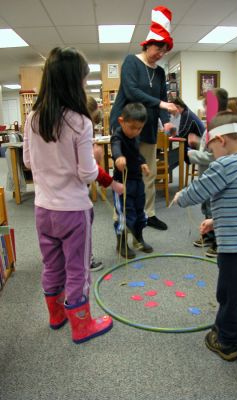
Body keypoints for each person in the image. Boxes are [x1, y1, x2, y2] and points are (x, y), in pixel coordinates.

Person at [23, 46, 123, 344]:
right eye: (82, 79)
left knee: (52, 264)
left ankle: (56, 316)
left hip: (43, 209)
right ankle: (82, 326)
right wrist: (91, 158)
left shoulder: (33, 117)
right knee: (77, 268)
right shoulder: (80, 121)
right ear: (72, 81)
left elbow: (28, 162)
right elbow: (87, 174)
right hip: (73, 210)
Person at [174, 112, 237, 361]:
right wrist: (215, 221)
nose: (213, 154)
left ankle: (225, 341)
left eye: (212, 149)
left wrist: (181, 197)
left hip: (235, 250)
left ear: (221, 140)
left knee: (227, 296)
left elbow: (199, 190)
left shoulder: (225, 164)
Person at [109, 6, 178, 231]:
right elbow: (131, 92)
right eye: (159, 48)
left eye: (165, 51)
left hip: (147, 128)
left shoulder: (159, 72)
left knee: (148, 172)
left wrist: (166, 120)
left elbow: (161, 98)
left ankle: (147, 214)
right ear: (148, 43)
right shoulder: (131, 61)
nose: (161, 54)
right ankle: (121, 215)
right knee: (127, 173)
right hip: (125, 125)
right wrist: (161, 104)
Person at [189, 88, 228, 257]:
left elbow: (212, 156)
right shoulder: (210, 126)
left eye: (207, 105)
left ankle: (219, 242)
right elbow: (207, 146)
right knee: (206, 206)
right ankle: (209, 235)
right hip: (206, 176)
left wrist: (192, 154)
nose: (204, 109)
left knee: (214, 208)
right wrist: (198, 142)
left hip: (214, 176)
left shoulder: (219, 128)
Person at [111, 103, 153, 259]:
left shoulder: (135, 136)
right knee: (125, 215)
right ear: (122, 121)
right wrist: (118, 157)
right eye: (133, 127)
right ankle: (121, 243)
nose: (136, 131)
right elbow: (116, 147)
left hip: (137, 181)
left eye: (140, 128)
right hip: (122, 183)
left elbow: (136, 154)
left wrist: (142, 162)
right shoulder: (118, 135)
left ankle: (138, 239)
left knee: (140, 213)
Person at [87, 95, 104, 272]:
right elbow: (87, 172)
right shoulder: (81, 127)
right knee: (84, 221)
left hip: (48, 200)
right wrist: (95, 160)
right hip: (75, 196)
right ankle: (86, 258)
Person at [170, 96, 205, 162]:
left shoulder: (186, 114)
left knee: (175, 154)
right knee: (176, 150)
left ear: (177, 107)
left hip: (200, 144)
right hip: (198, 141)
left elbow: (182, 134)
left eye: (171, 110)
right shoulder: (186, 112)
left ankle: (168, 166)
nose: (170, 112)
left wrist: (172, 134)